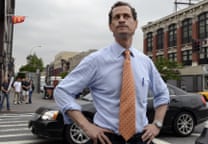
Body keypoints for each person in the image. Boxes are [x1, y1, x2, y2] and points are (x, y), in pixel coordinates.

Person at [54, 1, 170, 144]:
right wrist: (87, 126)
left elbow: (162, 94)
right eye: (117, 17)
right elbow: (62, 91)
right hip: (107, 139)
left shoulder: (145, 62)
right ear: (111, 26)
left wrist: (157, 124)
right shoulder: (95, 61)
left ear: (135, 24)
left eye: (126, 16)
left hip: (141, 139)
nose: (122, 19)